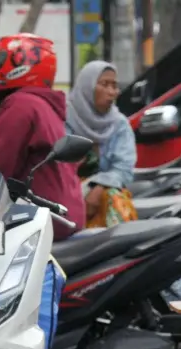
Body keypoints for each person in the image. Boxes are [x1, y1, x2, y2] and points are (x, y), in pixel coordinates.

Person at [0, 33, 86, 239]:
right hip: (58, 217)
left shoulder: (21, 106)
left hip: (44, 223)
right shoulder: (41, 104)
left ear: (20, 65)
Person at [67, 60, 138, 229]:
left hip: (102, 193)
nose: (112, 92)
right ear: (87, 87)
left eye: (114, 86)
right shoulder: (63, 117)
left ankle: (120, 242)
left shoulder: (119, 124)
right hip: (66, 193)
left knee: (113, 196)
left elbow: (123, 169)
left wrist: (98, 189)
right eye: (104, 85)